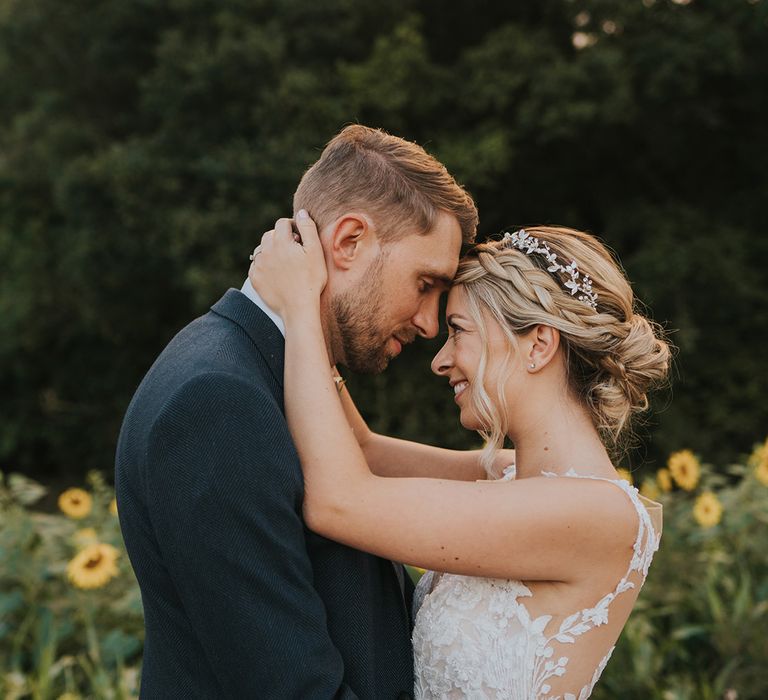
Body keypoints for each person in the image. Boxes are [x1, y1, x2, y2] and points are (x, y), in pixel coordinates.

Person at [115, 125, 502, 697]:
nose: (427, 322)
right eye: (425, 284)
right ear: (349, 241)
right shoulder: (216, 402)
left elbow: (366, 458)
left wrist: (529, 470)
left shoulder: (274, 369)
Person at [248, 214, 670, 699]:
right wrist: (321, 310)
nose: (439, 359)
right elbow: (364, 451)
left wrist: (298, 308)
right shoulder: (513, 475)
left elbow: (339, 501)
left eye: (459, 330)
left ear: (538, 345)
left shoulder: (598, 514)